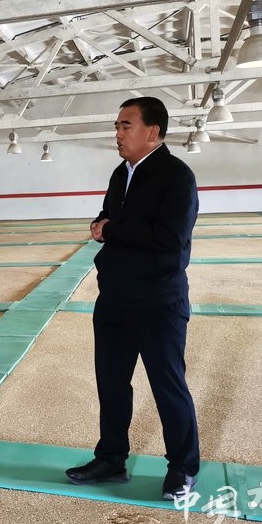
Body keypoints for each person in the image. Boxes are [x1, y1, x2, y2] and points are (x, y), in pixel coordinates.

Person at [65, 96, 200, 500]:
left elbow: (170, 238)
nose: (118, 133)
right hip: (115, 297)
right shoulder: (120, 173)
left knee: (168, 385)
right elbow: (111, 216)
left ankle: (182, 468)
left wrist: (111, 229)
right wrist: (100, 224)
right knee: (111, 383)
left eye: (126, 125)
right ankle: (111, 459)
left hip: (158, 300)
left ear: (152, 132)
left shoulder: (176, 176)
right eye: (117, 126)